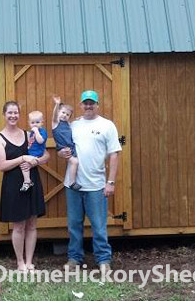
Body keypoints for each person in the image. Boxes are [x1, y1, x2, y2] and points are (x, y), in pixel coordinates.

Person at [58, 90, 121, 273]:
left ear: (97, 105)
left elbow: (114, 154)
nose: (88, 106)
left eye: (91, 103)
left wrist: (111, 182)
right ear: (80, 105)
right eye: (85, 103)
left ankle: (103, 260)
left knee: (99, 225)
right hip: (73, 184)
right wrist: (61, 153)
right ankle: (74, 258)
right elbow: (63, 148)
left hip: (96, 185)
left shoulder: (107, 125)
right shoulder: (73, 125)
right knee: (74, 224)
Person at [0, 101, 49, 272]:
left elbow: (45, 154)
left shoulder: (29, 134)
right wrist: (23, 158)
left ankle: (30, 261)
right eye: (9, 113)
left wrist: (35, 161)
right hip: (13, 186)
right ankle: (20, 263)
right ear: (4, 114)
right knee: (18, 226)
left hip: (31, 182)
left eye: (16, 113)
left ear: (19, 114)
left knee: (32, 224)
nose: (13, 116)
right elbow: (2, 165)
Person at [51, 96, 81, 191]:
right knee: (74, 162)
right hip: (63, 147)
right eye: (63, 112)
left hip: (71, 146)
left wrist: (79, 119)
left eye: (67, 114)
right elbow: (55, 115)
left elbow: (72, 123)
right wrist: (57, 104)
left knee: (76, 162)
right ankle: (72, 182)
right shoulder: (56, 122)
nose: (64, 115)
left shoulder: (68, 124)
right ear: (59, 112)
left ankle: (75, 180)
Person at [20, 110, 48, 192]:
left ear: (42, 123)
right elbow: (31, 142)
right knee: (24, 164)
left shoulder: (42, 131)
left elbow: (40, 141)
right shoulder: (31, 133)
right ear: (29, 123)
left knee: (24, 165)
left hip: (37, 153)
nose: (35, 124)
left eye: (37, 122)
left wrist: (36, 132)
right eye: (32, 123)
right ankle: (28, 181)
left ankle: (27, 181)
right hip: (32, 152)